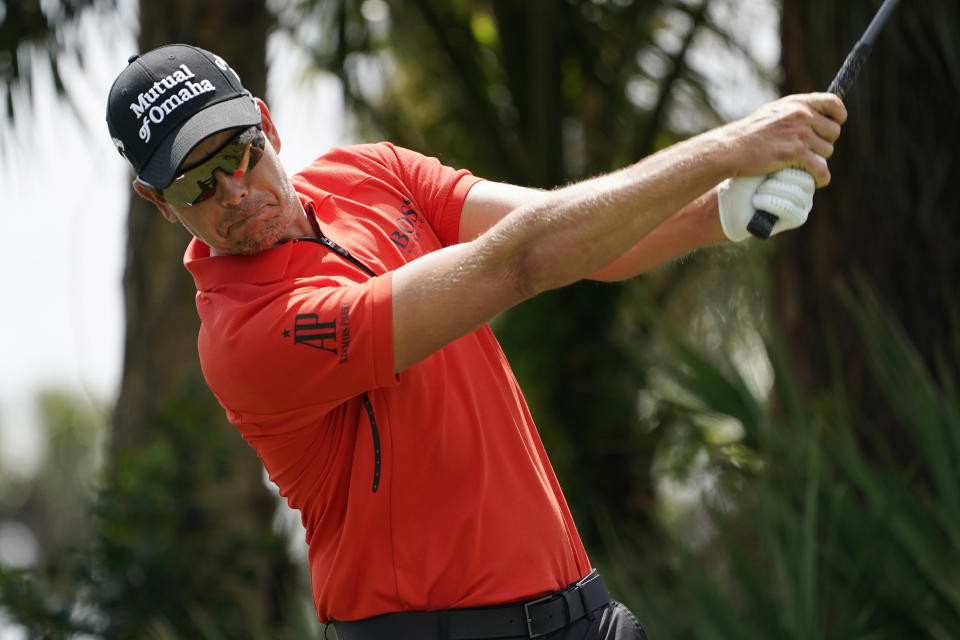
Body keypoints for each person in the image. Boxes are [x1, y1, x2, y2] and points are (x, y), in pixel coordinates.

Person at [106, 44, 846, 640]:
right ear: (157, 203)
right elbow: (522, 262)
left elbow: (585, 239)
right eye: (195, 183)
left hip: (582, 615)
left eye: (236, 153)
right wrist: (724, 151)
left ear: (266, 123)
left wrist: (718, 210)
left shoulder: (370, 173)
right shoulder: (245, 336)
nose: (233, 193)